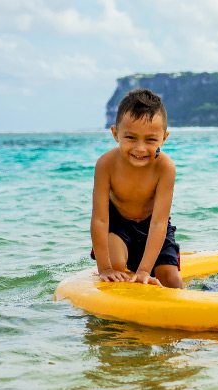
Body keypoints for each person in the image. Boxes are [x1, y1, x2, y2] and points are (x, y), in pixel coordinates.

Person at [90, 88, 183, 288]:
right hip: (118, 226)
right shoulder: (106, 164)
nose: (140, 148)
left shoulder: (165, 168)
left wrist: (143, 271)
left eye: (150, 140)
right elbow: (99, 218)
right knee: (115, 264)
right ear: (116, 134)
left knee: (172, 280)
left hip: (153, 227)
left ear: (164, 138)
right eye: (131, 138)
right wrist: (104, 268)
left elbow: (159, 222)